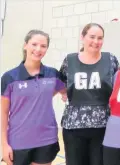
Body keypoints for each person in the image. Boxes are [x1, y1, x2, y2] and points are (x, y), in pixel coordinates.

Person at [59, 23, 120, 165]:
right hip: (73, 127)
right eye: (92, 37)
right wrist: (64, 93)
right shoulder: (70, 60)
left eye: (100, 38)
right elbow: (61, 82)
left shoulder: (111, 59)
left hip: (103, 127)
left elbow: (119, 84)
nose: (96, 41)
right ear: (82, 37)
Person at [1, 30, 64, 165]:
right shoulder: (9, 77)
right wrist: (4, 145)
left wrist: (64, 94)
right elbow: (3, 112)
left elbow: (65, 90)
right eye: (34, 44)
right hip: (18, 141)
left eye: (43, 46)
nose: (38, 49)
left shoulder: (53, 74)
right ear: (25, 45)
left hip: (46, 139)